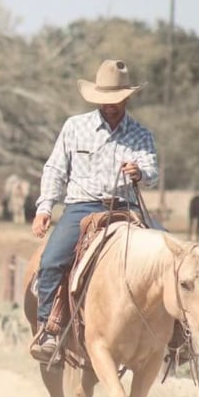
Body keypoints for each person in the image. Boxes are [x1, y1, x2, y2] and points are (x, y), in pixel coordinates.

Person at [30, 59, 162, 362]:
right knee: (51, 260)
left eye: (115, 100)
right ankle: (49, 328)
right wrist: (45, 207)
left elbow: (153, 172)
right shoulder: (75, 127)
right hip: (82, 206)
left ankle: (176, 336)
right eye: (104, 101)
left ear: (127, 98)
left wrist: (139, 173)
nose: (110, 106)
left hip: (127, 208)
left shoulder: (141, 135)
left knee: (171, 255)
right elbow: (55, 169)